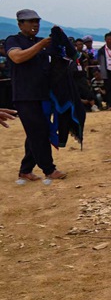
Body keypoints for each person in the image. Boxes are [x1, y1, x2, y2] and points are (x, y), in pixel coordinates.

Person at [4, 9, 67, 184]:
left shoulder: (42, 43)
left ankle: (25, 170)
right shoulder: (13, 41)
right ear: (20, 24)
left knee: (38, 132)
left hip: (44, 95)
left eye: (37, 21)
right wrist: (41, 45)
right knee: (38, 131)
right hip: (25, 96)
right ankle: (49, 169)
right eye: (30, 21)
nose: (35, 25)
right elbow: (17, 57)